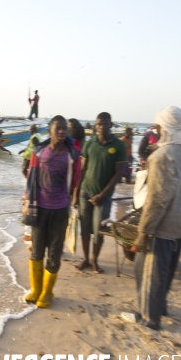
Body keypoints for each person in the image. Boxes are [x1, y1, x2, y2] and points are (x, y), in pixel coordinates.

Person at [121, 107, 181, 330]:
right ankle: (160, 307)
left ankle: (149, 318)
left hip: (164, 225)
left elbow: (157, 201)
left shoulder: (161, 157)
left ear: (165, 128)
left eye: (158, 126)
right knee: (166, 270)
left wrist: (143, 232)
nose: (156, 129)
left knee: (147, 271)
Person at [23, 116, 81, 307]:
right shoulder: (39, 152)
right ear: (50, 130)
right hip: (39, 209)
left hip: (60, 211)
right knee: (37, 251)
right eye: (58, 129)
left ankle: (47, 293)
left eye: (65, 129)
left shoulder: (72, 156)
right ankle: (36, 290)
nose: (62, 132)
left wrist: (72, 202)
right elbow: (31, 177)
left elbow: (75, 182)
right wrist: (26, 198)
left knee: (54, 254)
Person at [73, 112, 126, 274]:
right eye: (99, 124)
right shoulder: (89, 144)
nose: (101, 127)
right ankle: (86, 259)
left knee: (98, 230)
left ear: (111, 125)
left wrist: (103, 195)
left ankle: (95, 261)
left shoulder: (118, 145)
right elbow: (82, 170)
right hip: (85, 193)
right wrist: (76, 192)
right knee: (85, 228)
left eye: (105, 124)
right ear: (95, 126)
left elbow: (118, 174)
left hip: (104, 197)